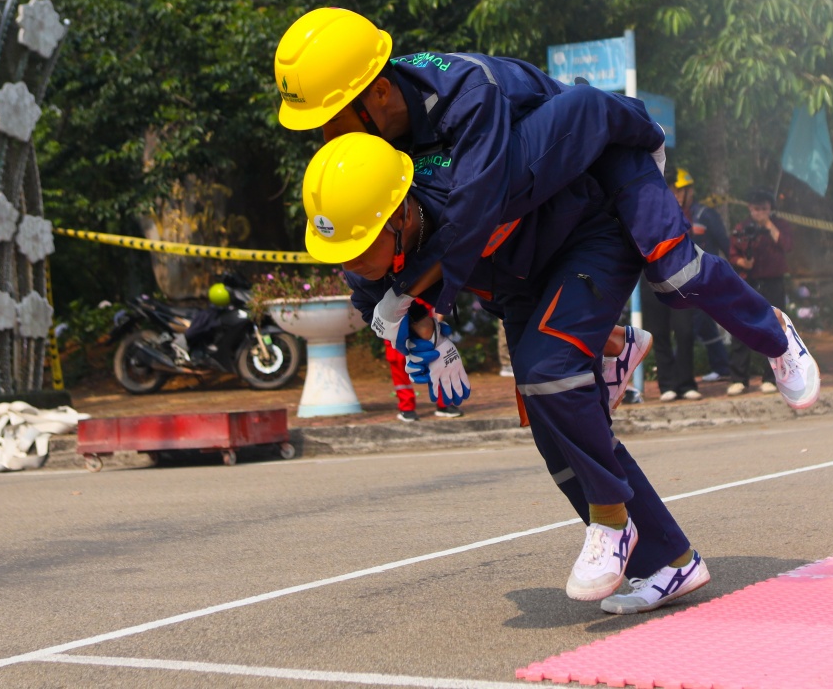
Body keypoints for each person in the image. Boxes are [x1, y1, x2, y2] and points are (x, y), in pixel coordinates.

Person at [273, 8, 818, 411]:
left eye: (331, 117)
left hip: (605, 156)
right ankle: (615, 349)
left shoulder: (467, 93)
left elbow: (474, 210)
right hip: (551, 202)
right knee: (525, 329)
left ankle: (774, 333)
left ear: (381, 94)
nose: (324, 136)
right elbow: (372, 236)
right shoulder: (382, 145)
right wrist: (409, 323)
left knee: (677, 275)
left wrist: (416, 301)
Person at [304, 133, 710, 614]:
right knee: (555, 434)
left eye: (358, 249)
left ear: (397, 216)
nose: (349, 264)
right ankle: (669, 561)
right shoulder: (373, 238)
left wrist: (637, 130)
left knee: (552, 377)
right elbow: (374, 296)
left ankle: (618, 511)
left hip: (579, 242)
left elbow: (570, 134)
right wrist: (428, 337)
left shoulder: (465, 187)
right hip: (521, 287)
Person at [727, 189, 794, 396]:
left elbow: (787, 245)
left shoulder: (779, 225)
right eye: (756, 209)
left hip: (773, 281)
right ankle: (739, 379)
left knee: (773, 328)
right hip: (748, 281)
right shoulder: (743, 228)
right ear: (750, 208)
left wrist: (768, 225)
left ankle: (771, 377)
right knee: (741, 327)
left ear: (770, 209)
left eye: (764, 209)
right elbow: (732, 253)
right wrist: (742, 262)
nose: (760, 213)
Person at [675, 168, 733, 382]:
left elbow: (725, 243)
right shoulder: (675, 215)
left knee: (691, 324)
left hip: (706, 280)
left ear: (691, 191)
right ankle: (722, 367)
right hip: (683, 280)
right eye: (675, 191)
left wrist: (738, 269)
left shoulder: (704, 214)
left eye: (682, 191)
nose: (678, 196)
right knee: (706, 326)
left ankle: (674, 369)